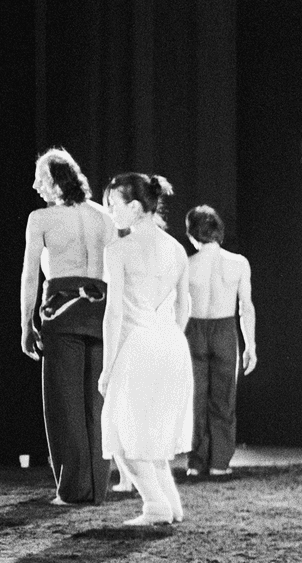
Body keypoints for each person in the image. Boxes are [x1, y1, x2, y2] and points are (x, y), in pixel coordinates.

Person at [19, 148, 117, 505]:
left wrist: (26, 324)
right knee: (96, 403)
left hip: (61, 310)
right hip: (102, 308)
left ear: (56, 180)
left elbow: (30, 276)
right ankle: (97, 488)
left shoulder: (41, 219)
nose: (35, 186)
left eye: (40, 178)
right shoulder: (105, 217)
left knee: (65, 405)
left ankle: (74, 489)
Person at [98, 173, 193, 526]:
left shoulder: (118, 250)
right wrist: (169, 335)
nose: (111, 213)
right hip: (171, 344)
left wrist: (107, 368)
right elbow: (185, 306)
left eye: (114, 205)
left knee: (122, 432)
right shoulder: (177, 249)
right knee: (149, 432)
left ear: (136, 207)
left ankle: (155, 506)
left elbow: (113, 314)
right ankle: (170, 504)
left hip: (139, 345)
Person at [183, 205, 257, 477]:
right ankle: (219, 464)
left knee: (195, 400)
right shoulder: (238, 262)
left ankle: (196, 463)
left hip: (193, 331)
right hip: (225, 330)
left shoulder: (187, 264)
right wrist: (251, 344)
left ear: (192, 234)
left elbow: (178, 306)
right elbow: (246, 306)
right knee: (224, 400)